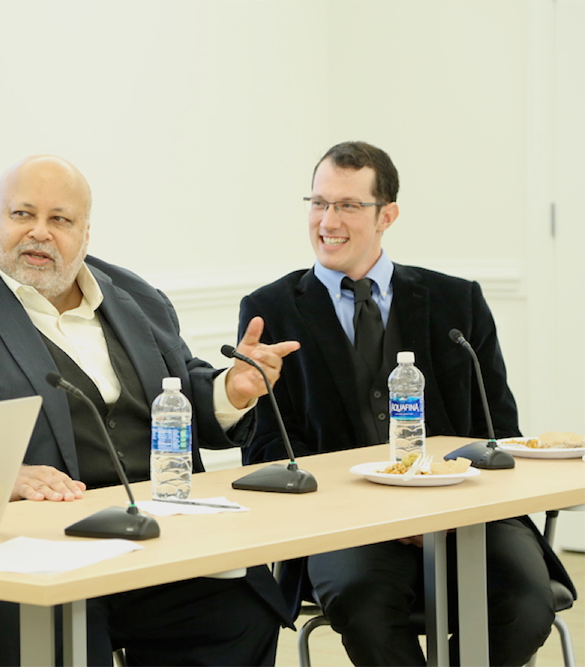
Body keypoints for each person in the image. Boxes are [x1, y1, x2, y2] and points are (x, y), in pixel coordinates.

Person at [0, 155, 301, 666]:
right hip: (15, 553)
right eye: (22, 215)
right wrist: (5, 475)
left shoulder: (133, 295)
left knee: (238, 609)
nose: (38, 233)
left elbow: (181, 392)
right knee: (66, 634)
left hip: (149, 538)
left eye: (59, 220)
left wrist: (232, 389)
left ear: (86, 233)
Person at [236, 141, 574, 667]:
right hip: (345, 524)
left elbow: (497, 432)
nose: (328, 220)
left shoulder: (458, 302)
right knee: (363, 604)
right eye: (318, 202)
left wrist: (439, 506)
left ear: (387, 214)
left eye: (348, 205)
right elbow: (268, 448)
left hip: (468, 513)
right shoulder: (269, 311)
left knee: (526, 603)